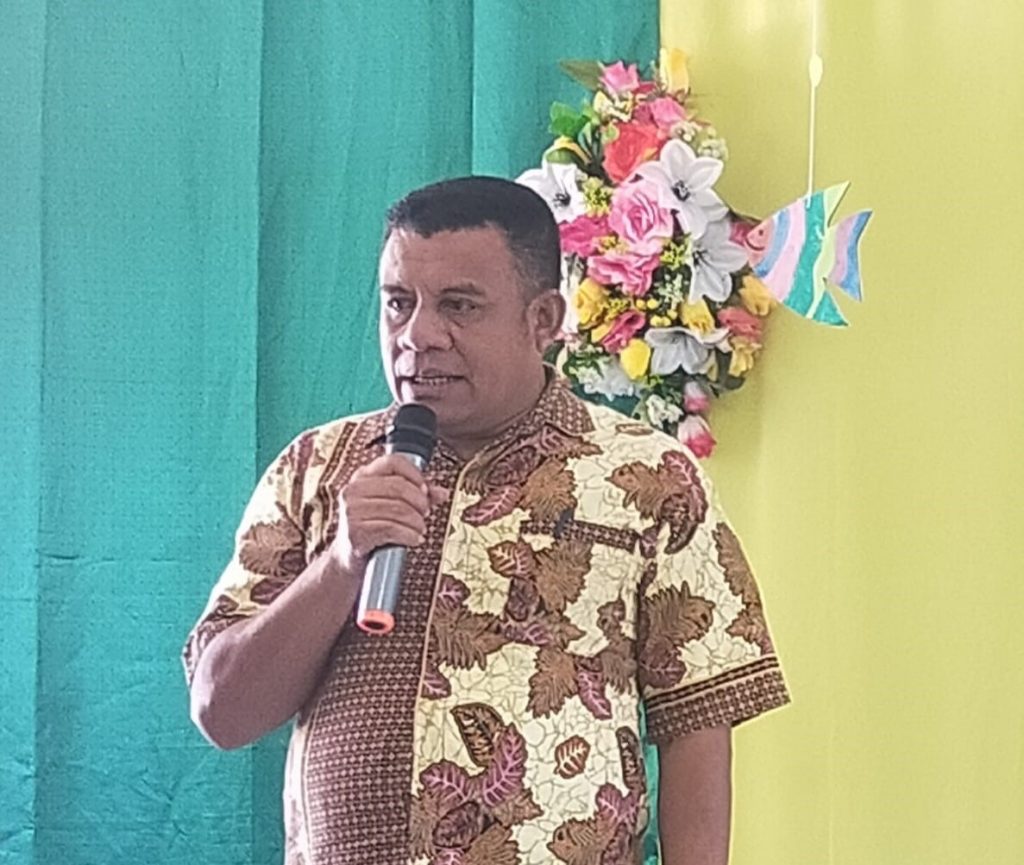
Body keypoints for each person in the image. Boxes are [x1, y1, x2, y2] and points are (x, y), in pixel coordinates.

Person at [183, 176, 789, 865]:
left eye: (459, 306)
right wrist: (343, 561)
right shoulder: (316, 467)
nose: (417, 336)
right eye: (398, 303)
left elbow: (697, 724)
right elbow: (222, 713)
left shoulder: (649, 476)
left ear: (543, 319)